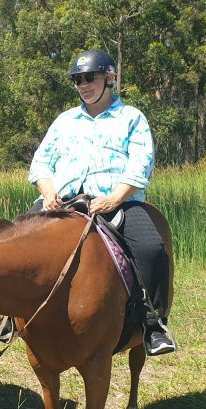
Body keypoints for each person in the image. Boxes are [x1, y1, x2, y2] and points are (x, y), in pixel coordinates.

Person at [28, 49, 177, 356]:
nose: (83, 84)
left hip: (118, 201)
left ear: (110, 79)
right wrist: (48, 191)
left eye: (90, 77)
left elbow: (141, 165)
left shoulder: (132, 118)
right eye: (78, 79)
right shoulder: (64, 121)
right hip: (63, 202)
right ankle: (10, 320)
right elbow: (41, 162)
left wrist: (114, 198)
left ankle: (153, 323)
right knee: (15, 240)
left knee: (153, 249)